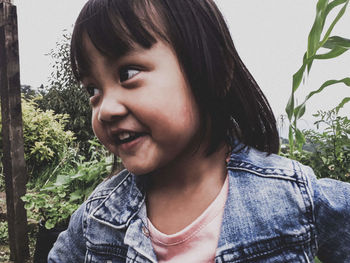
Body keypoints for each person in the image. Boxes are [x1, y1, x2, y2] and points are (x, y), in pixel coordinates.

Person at [48, 0, 350, 262]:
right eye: (93, 89)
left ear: (215, 70)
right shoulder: (99, 214)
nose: (106, 109)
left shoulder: (292, 196)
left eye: (128, 73)